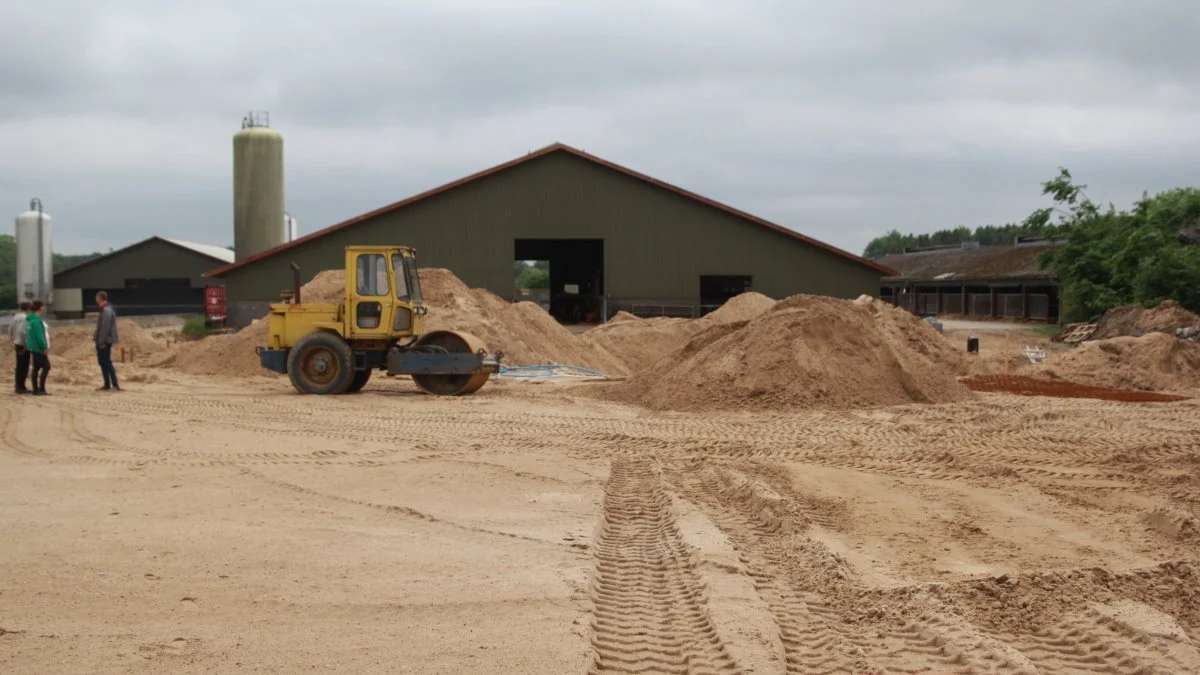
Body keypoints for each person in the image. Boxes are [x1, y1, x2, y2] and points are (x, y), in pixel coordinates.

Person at [94, 291, 120, 391]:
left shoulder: (106, 311)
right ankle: (107, 384)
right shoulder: (104, 310)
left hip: (105, 341)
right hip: (103, 340)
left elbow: (105, 328)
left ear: (100, 298)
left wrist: (101, 341)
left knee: (106, 362)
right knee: (102, 362)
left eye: (97, 298)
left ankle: (115, 385)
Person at [25, 299, 51, 396]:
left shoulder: (31, 320)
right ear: (39, 307)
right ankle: (41, 388)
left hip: (33, 347)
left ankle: (36, 389)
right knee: (46, 367)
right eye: (42, 306)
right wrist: (44, 347)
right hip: (38, 348)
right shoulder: (36, 321)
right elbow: (39, 335)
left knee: (36, 368)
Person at [10, 301, 31, 394]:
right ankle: (20, 387)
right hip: (23, 343)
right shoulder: (25, 317)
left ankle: (18, 386)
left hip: (17, 343)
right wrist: (26, 343)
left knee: (19, 365)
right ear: (28, 308)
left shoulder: (16, 317)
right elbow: (24, 331)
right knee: (24, 366)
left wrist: (12, 339)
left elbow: (10, 329)